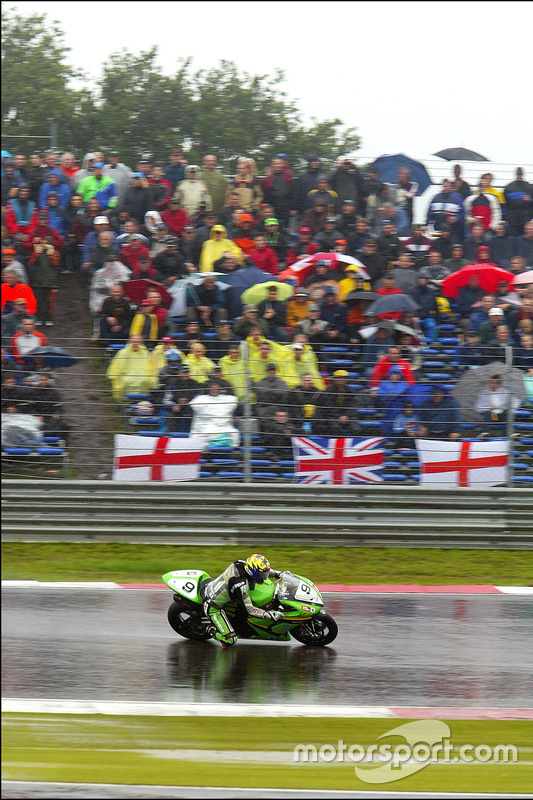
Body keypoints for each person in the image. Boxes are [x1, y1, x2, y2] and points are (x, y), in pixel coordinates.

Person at [201, 553, 284, 648]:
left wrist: (278, 573)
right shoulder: (240, 584)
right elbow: (250, 610)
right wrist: (269, 615)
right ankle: (210, 629)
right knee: (231, 640)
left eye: (265, 573)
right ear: (253, 572)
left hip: (217, 587)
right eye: (262, 574)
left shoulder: (242, 564)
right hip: (212, 605)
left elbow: (260, 570)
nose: (264, 576)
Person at [106, 334, 157, 402]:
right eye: (134, 342)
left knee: (143, 381)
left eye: (138, 342)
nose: (135, 344)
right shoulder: (123, 353)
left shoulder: (146, 353)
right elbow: (117, 365)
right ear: (129, 342)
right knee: (126, 381)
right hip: (125, 376)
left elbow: (150, 367)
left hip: (141, 375)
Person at [189, 379, 240, 448]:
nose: (214, 390)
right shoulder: (201, 399)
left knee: (234, 434)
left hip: (224, 426)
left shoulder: (228, 399)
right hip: (206, 425)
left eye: (216, 388)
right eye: (213, 388)